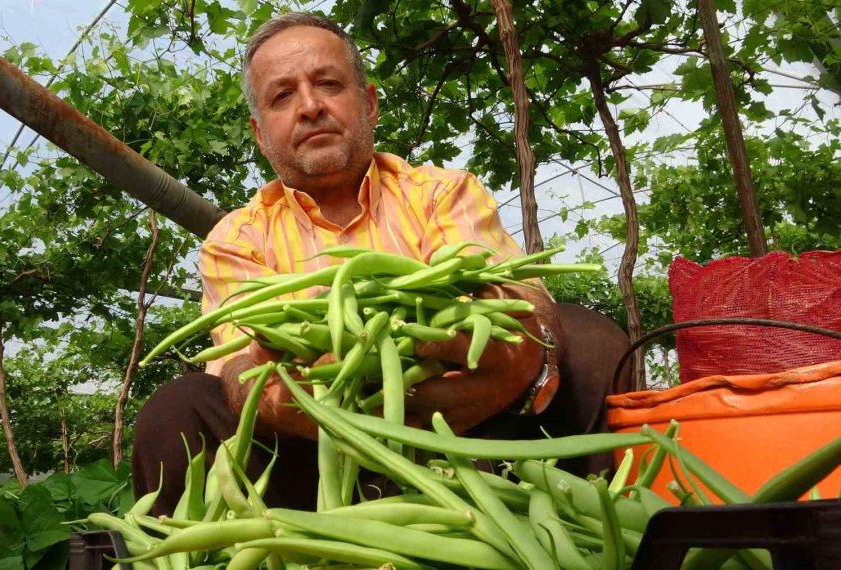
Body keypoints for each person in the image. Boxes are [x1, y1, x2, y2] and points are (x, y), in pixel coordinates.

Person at [132, 13, 630, 515]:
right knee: (180, 407)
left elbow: (513, 296)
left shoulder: (441, 193)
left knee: (586, 338)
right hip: (315, 459)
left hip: (469, 432)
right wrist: (312, 403)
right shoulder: (237, 238)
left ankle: (575, 520)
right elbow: (239, 364)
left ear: (368, 103)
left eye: (328, 84)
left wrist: (518, 358)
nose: (309, 107)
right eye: (282, 96)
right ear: (260, 135)